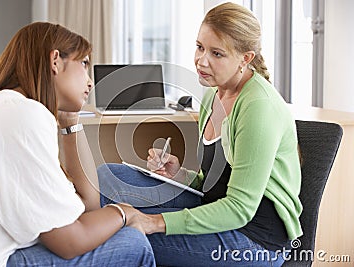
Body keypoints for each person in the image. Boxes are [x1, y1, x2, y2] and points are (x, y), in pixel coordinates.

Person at [98, 2, 303, 266]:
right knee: (108, 177)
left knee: (127, 238)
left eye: (217, 53)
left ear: (246, 58)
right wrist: (178, 174)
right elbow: (213, 183)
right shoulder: (212, 95)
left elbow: (239, 208)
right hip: (216, 209)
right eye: (200, 47)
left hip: (253, 239)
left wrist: (154, 222)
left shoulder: (258, 107)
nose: (201, 61)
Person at [0, 22, 155, 267]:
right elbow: (70, 241)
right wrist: (125, 212)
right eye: (84, 64)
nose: (90, 82)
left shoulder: (10, 107)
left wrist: (70, 122)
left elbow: (87, 208)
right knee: (133, 243)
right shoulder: (19, 114)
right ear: (55, 61)